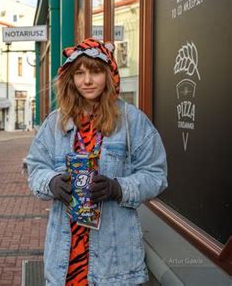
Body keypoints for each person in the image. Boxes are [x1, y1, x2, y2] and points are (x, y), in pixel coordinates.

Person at [26, 38, 168, 285]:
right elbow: (35, 167)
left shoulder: (132, 121)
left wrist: (118, 188)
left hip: (115, 259)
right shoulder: (55, 122)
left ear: (109, 74)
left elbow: (156, 174)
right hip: (65, 258)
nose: (87, 81)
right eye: (79, 73)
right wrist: (51, 182)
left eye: (95, 72)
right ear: (70, 78)